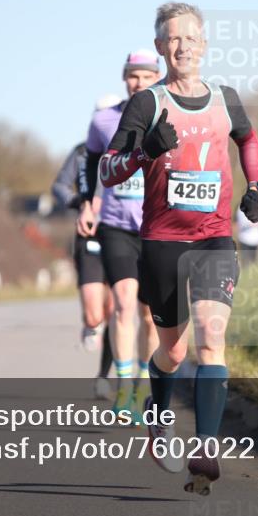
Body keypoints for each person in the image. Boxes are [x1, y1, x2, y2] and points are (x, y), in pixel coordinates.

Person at [97, 2, 258, 495]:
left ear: (204, 45)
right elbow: (109, 170)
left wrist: (255, 187)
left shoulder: (225, 98)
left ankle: (206, 447)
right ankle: (158, 411)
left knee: (212, 338)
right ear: (160, 47)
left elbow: (248, 138)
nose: (183, 46)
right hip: (162, 240)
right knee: (172, 349)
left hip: (214, 237)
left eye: (192, 37)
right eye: (173, 38)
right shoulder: (147, 104)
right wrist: (144, 151)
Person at [78, 51, 162, 418]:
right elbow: (92, 160)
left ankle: (143, 383)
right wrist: (87, 201)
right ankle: (125, 388)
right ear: (124, 79)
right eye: (133, 76)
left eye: (146, 76)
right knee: (124, 301)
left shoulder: (166, 116)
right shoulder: (103, 120)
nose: (139, 82)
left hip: (156, 225)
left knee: (149, 314)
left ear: (156, 78)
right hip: (115, 224)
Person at [51, 137, 115, 399]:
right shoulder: (80, 151)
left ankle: (103, 376)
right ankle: (90, 325)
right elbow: (59, 186)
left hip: (120, 233)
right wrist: (79, 201)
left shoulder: (133, 149)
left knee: (114, 310)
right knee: (94, 315)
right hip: (88, 234)